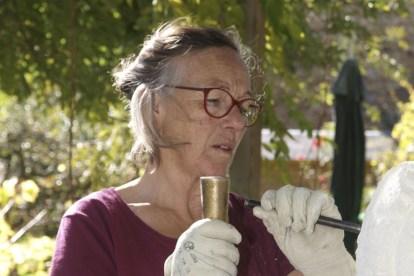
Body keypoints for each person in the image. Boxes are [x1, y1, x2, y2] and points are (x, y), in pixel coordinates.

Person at [50, 18, 355, 276]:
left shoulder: (265, 228)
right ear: (157, 105)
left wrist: (329, 267)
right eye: (214, 100)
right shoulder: (97, 225)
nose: (237, 122)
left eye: (244, 106)